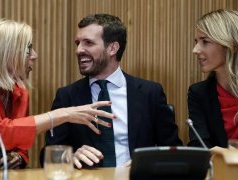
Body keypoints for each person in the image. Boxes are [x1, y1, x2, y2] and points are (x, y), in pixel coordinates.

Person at [0, 19, 115, 169]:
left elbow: (20, 146)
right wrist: (64, 113)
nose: (35, 56)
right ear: (3, 54)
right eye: (28, 49)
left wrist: (18, 157)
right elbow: (3, 133)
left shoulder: (20, 94)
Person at [41, 13, 182, 169]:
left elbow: (175, 151)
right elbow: (47, 154)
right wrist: (70, 156)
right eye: (78, 43)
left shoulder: (150, 93)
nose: (79, 50)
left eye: (88, 43)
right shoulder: (66, 96)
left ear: (112, 48)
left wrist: (149, 161)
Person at [187, 9, 238, 149]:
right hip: (219, 170)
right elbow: (200, 146)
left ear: (232, 45)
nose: (195, 50)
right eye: (196, 41)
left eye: (205, 41)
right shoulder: (198, 93)